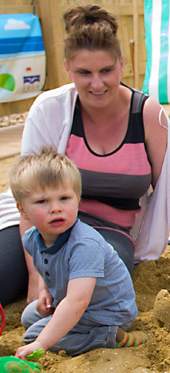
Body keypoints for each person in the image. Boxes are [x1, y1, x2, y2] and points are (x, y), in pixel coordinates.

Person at [0, 4, 170, 307]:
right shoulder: (49, 109)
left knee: (94, 291)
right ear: (67, 69)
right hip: (38, 223)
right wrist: (36, 275)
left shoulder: (149, 115)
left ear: (122, 65)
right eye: (84, 73)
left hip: (108, 233)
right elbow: (26, 192)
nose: (97, 84)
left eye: (106, 71)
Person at [9, 151, 141, 358]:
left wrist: (41, 342)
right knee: (29, 316)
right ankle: (81, 331)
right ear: (23, 210)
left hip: (107, 312)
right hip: (71, 301)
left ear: (78, 200)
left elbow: (77, 301)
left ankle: (108, 336)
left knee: (34, 334)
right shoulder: (31, 238)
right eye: (42, 201)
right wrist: (45, 292)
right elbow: (45, 266)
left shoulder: (84, 245)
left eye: (64, 198)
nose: (55, 208)